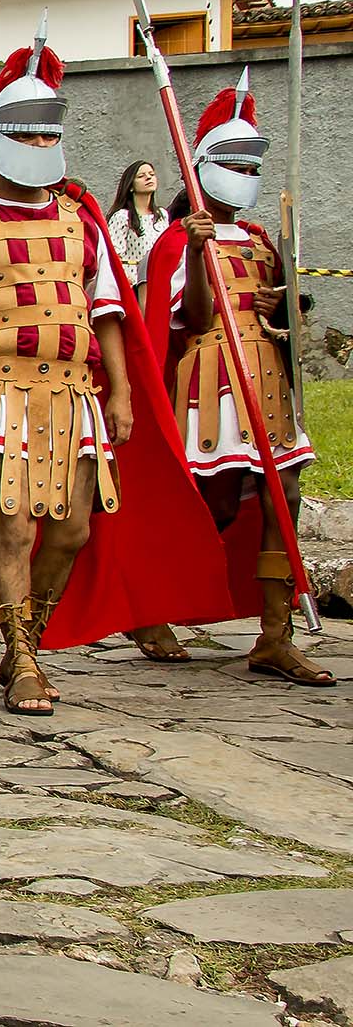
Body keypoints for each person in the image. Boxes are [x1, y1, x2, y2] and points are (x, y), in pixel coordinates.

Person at [0, 22, 234, 716]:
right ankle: (23, 659)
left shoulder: (83, 219)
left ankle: (25, 637)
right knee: (15, 528)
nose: (41, 148)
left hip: (76, 396)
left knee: (74, 529)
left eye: (50, 135)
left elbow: (108, 309)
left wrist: (120, 392)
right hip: (3, 393)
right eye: (28, 136)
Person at [139, 73, 332, 686]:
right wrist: (196, 253)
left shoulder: (256, 238)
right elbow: (191, 318)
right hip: (210, 376)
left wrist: (285, 306)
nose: (244, 171)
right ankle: (151, 601)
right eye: (233, 160)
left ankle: (276, 634)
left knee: (286, 496)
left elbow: (272, 308)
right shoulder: (175, 240)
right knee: (217, 504)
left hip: (265, 374)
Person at [107, 159, 170, 291]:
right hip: (133, 284)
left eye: (151, 174)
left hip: (160, 281)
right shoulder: (122, 216)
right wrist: (124, 279)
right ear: (130, 186)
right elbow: (113, 254)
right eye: (141, 176)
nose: (148, 178)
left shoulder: (162, 215)